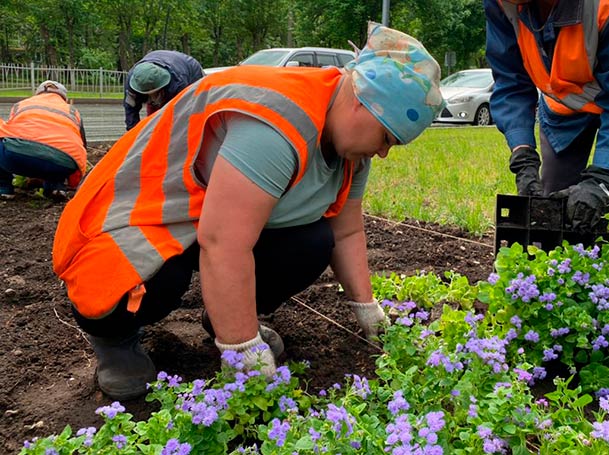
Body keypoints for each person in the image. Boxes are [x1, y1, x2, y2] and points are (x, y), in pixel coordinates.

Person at [53, 22, 443, 400]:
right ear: (362, 102)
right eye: (387, 137)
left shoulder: (351, 149)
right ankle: (114, 338)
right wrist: (242, 349)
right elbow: (223, 242)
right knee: (160, 275)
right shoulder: (278, 124)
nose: (383, 151)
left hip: (206, 221)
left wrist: (367, 309)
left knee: (313, 241)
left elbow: (346, 233)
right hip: (131, 223)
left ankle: (223, 314)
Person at [485, 0, 609, 231]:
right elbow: (511, 79)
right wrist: (523, 156)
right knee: (551, 200)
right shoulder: (503, 3)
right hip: (568, 90)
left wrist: (601, 179)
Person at [0, 81, 87, 200]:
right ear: (64, 98)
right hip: (63, 164)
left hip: (17, 158)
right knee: (60, 150)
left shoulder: (21, 104)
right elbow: (82, 146)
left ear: (37, 94)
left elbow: (9, 134)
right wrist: (75, 181)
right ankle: (57, 188)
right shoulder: (72, 111)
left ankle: (4, 189)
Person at [123, 50, 204, 131]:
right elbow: (130, 111)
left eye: (154, 91)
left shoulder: (178, 83)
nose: (152, 95)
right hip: (161, 60)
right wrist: (134, 136)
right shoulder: (132, 81)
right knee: (154, 120)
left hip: (190, 71)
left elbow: (180, 113)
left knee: (190, 115)